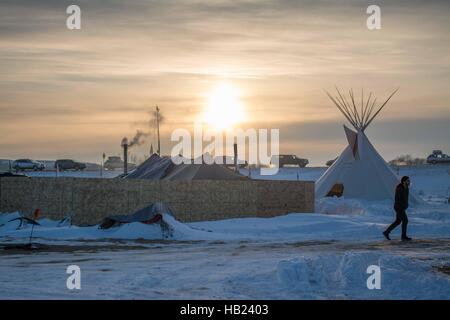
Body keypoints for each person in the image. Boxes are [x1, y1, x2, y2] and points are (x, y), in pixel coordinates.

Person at [383, 176, 412, 241]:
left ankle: (386, 232)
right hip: (399, 207)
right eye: (407, 180)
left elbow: (405, 198)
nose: (409, 182)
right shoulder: (399, 188)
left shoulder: (406, 188)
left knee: (398, 221)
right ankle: (403, 236)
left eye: (409, 181)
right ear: (404, 181)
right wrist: (402, 205)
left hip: (402, 207)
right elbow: (397, 199)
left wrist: (406, 205)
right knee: (405, 220)